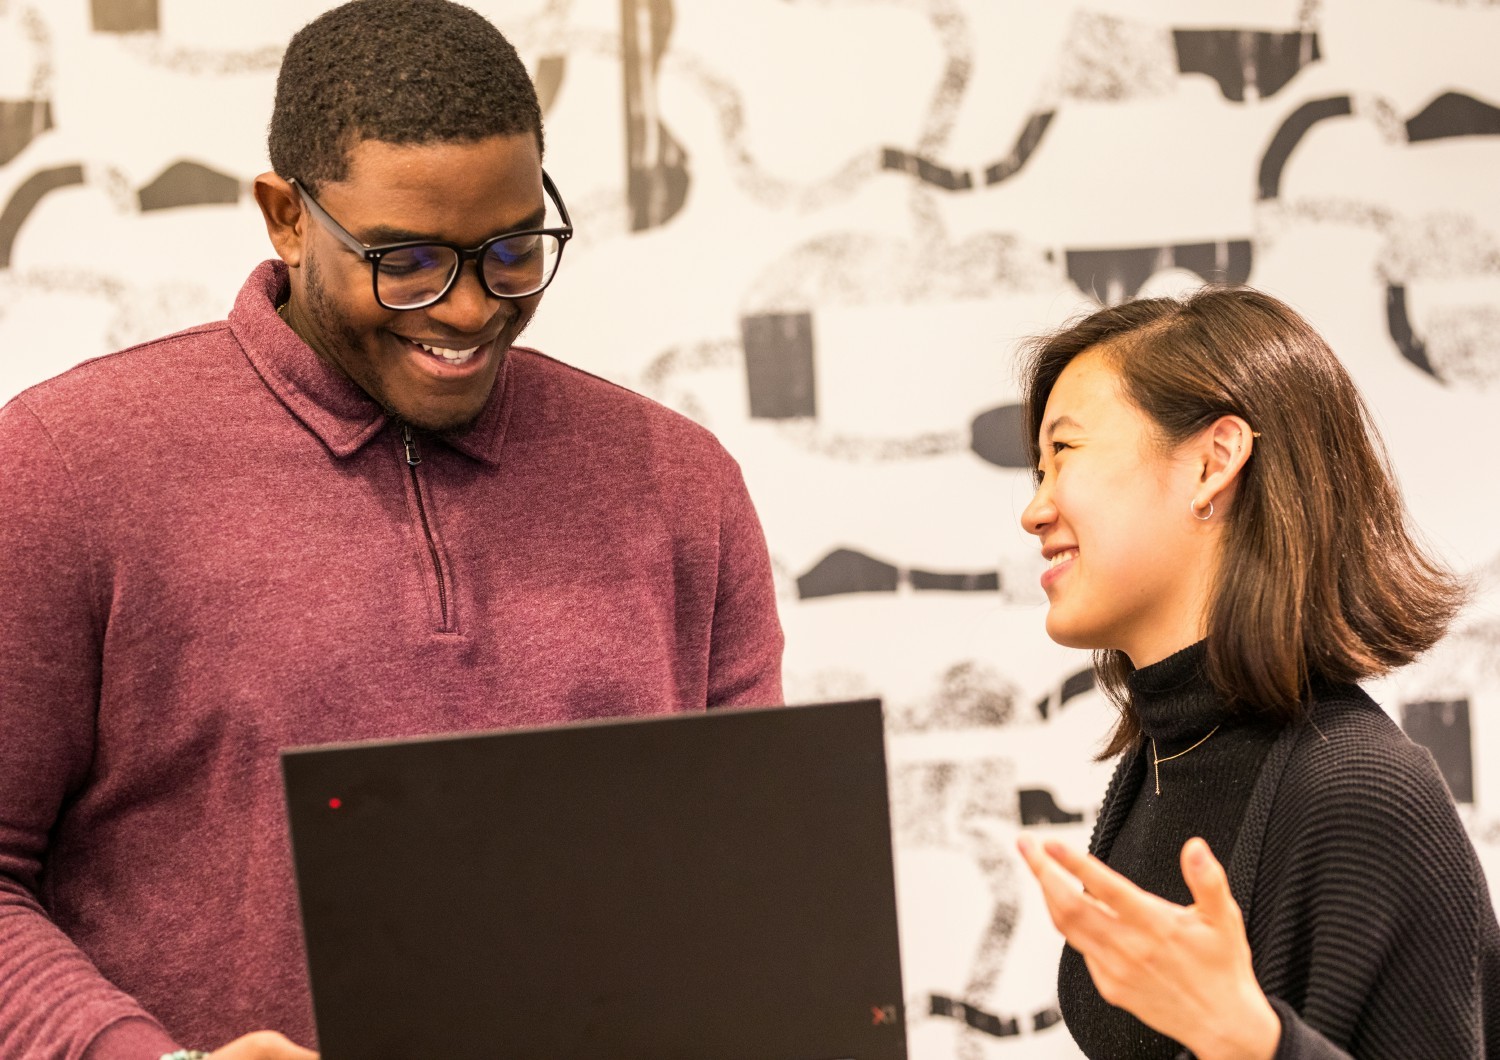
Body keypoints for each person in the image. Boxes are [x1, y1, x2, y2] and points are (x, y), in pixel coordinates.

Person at [0, 2, 783, 1058]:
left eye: (511, 251)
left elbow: (744, 889)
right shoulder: (65, 465)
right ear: (285, 215)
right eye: (407, 261)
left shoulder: (679, 484)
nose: (467, 310)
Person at [1011, 287, 1499, 1059]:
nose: (1034, 511)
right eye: (1036, 472)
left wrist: (1250, 1042)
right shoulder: (1165, 756)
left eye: (1063, 454)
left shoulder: (1363, 791)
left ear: (1214, 461)